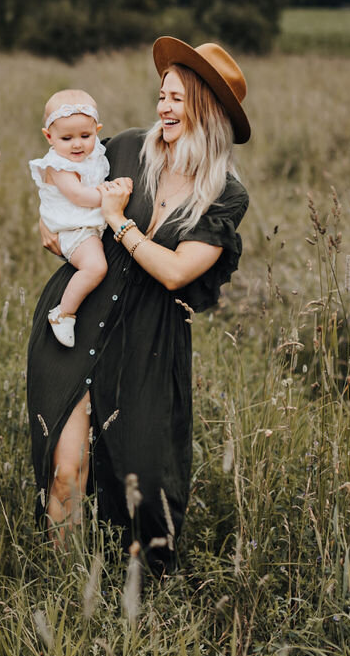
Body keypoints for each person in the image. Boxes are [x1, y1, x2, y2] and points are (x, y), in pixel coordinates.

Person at [26, 38, 250, 569]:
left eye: (177, 98)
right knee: (66, 468)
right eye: (162, 95)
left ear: (208, 110)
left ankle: (144, 594)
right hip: (77, 319)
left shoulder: (225, 193)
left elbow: (175, 271)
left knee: (144, 479)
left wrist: (117, 222)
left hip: (150, 338)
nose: (164, 107)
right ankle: (64, 591)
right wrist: (56, 233)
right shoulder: (124, 149)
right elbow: (52, 204)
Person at [29, 89, 109, 348]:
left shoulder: (94, 154)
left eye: (85, 136)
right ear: (49, 137)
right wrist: (110, 194)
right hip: (73, 229)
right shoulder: (58, 165)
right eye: (67, 138)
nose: (77, 144)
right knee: (95, 267)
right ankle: (63, 313)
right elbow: (78, 195)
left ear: (97, 130)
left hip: (87, 224)